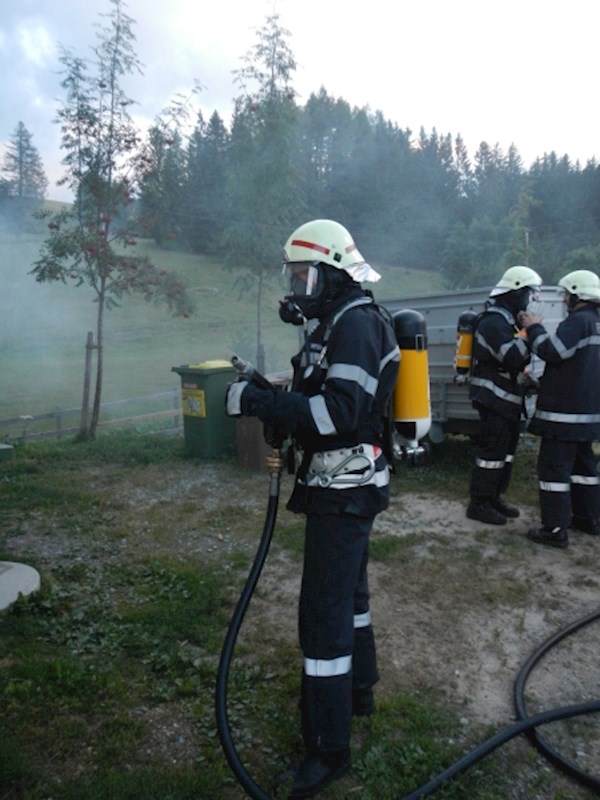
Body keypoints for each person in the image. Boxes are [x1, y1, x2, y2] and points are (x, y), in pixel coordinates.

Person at [225, 219, 400, 799]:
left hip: (345, 487)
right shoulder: (336, 323)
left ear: (332, 274)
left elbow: (338, 413)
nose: (296, 289)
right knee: (350, 597)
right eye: (293, 277)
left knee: (323, 613)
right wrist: (279, 404)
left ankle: (327, 749)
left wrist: (262, 404)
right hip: (341, 484)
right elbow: (316, 401)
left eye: (304, 277)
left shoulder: (357, 326)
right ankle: (359, 690)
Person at [519, 269, 600, 549]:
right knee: (584, 469)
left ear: (578, 294)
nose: (564, 300)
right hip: (588, 416)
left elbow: (553, 351)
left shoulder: (578, 321)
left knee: (554, 471)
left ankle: (554, 530)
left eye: (566, 294)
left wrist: (533, 327)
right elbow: (578, 367)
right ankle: (589, 519)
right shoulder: (597, 321)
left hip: (563, 417)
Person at [466, 265, 544, 525]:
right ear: (515, 292)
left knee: (506, 453)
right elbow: (512, 357)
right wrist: (530, 331)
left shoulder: (507, 321)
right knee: (492, 452)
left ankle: (494, 497)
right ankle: (478, 504)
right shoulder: (492, 322)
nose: (529, 300)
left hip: (507, 399)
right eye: (528, 294)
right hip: (493, 398)